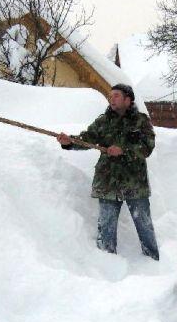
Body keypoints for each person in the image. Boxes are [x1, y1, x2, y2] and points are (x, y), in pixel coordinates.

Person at [57, 84, 159, 260]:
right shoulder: (103, 121)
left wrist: (124, 150)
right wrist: (69, 142)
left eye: (117, 96)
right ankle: (107, 262)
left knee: (144, 224)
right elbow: (86, 138)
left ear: (128, 100)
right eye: (110, 96)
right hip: (108, 182)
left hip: (134, 182)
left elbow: (147, 147)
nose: (112, 99)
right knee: (106, 227)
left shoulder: (141, 121)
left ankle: (152, 260)